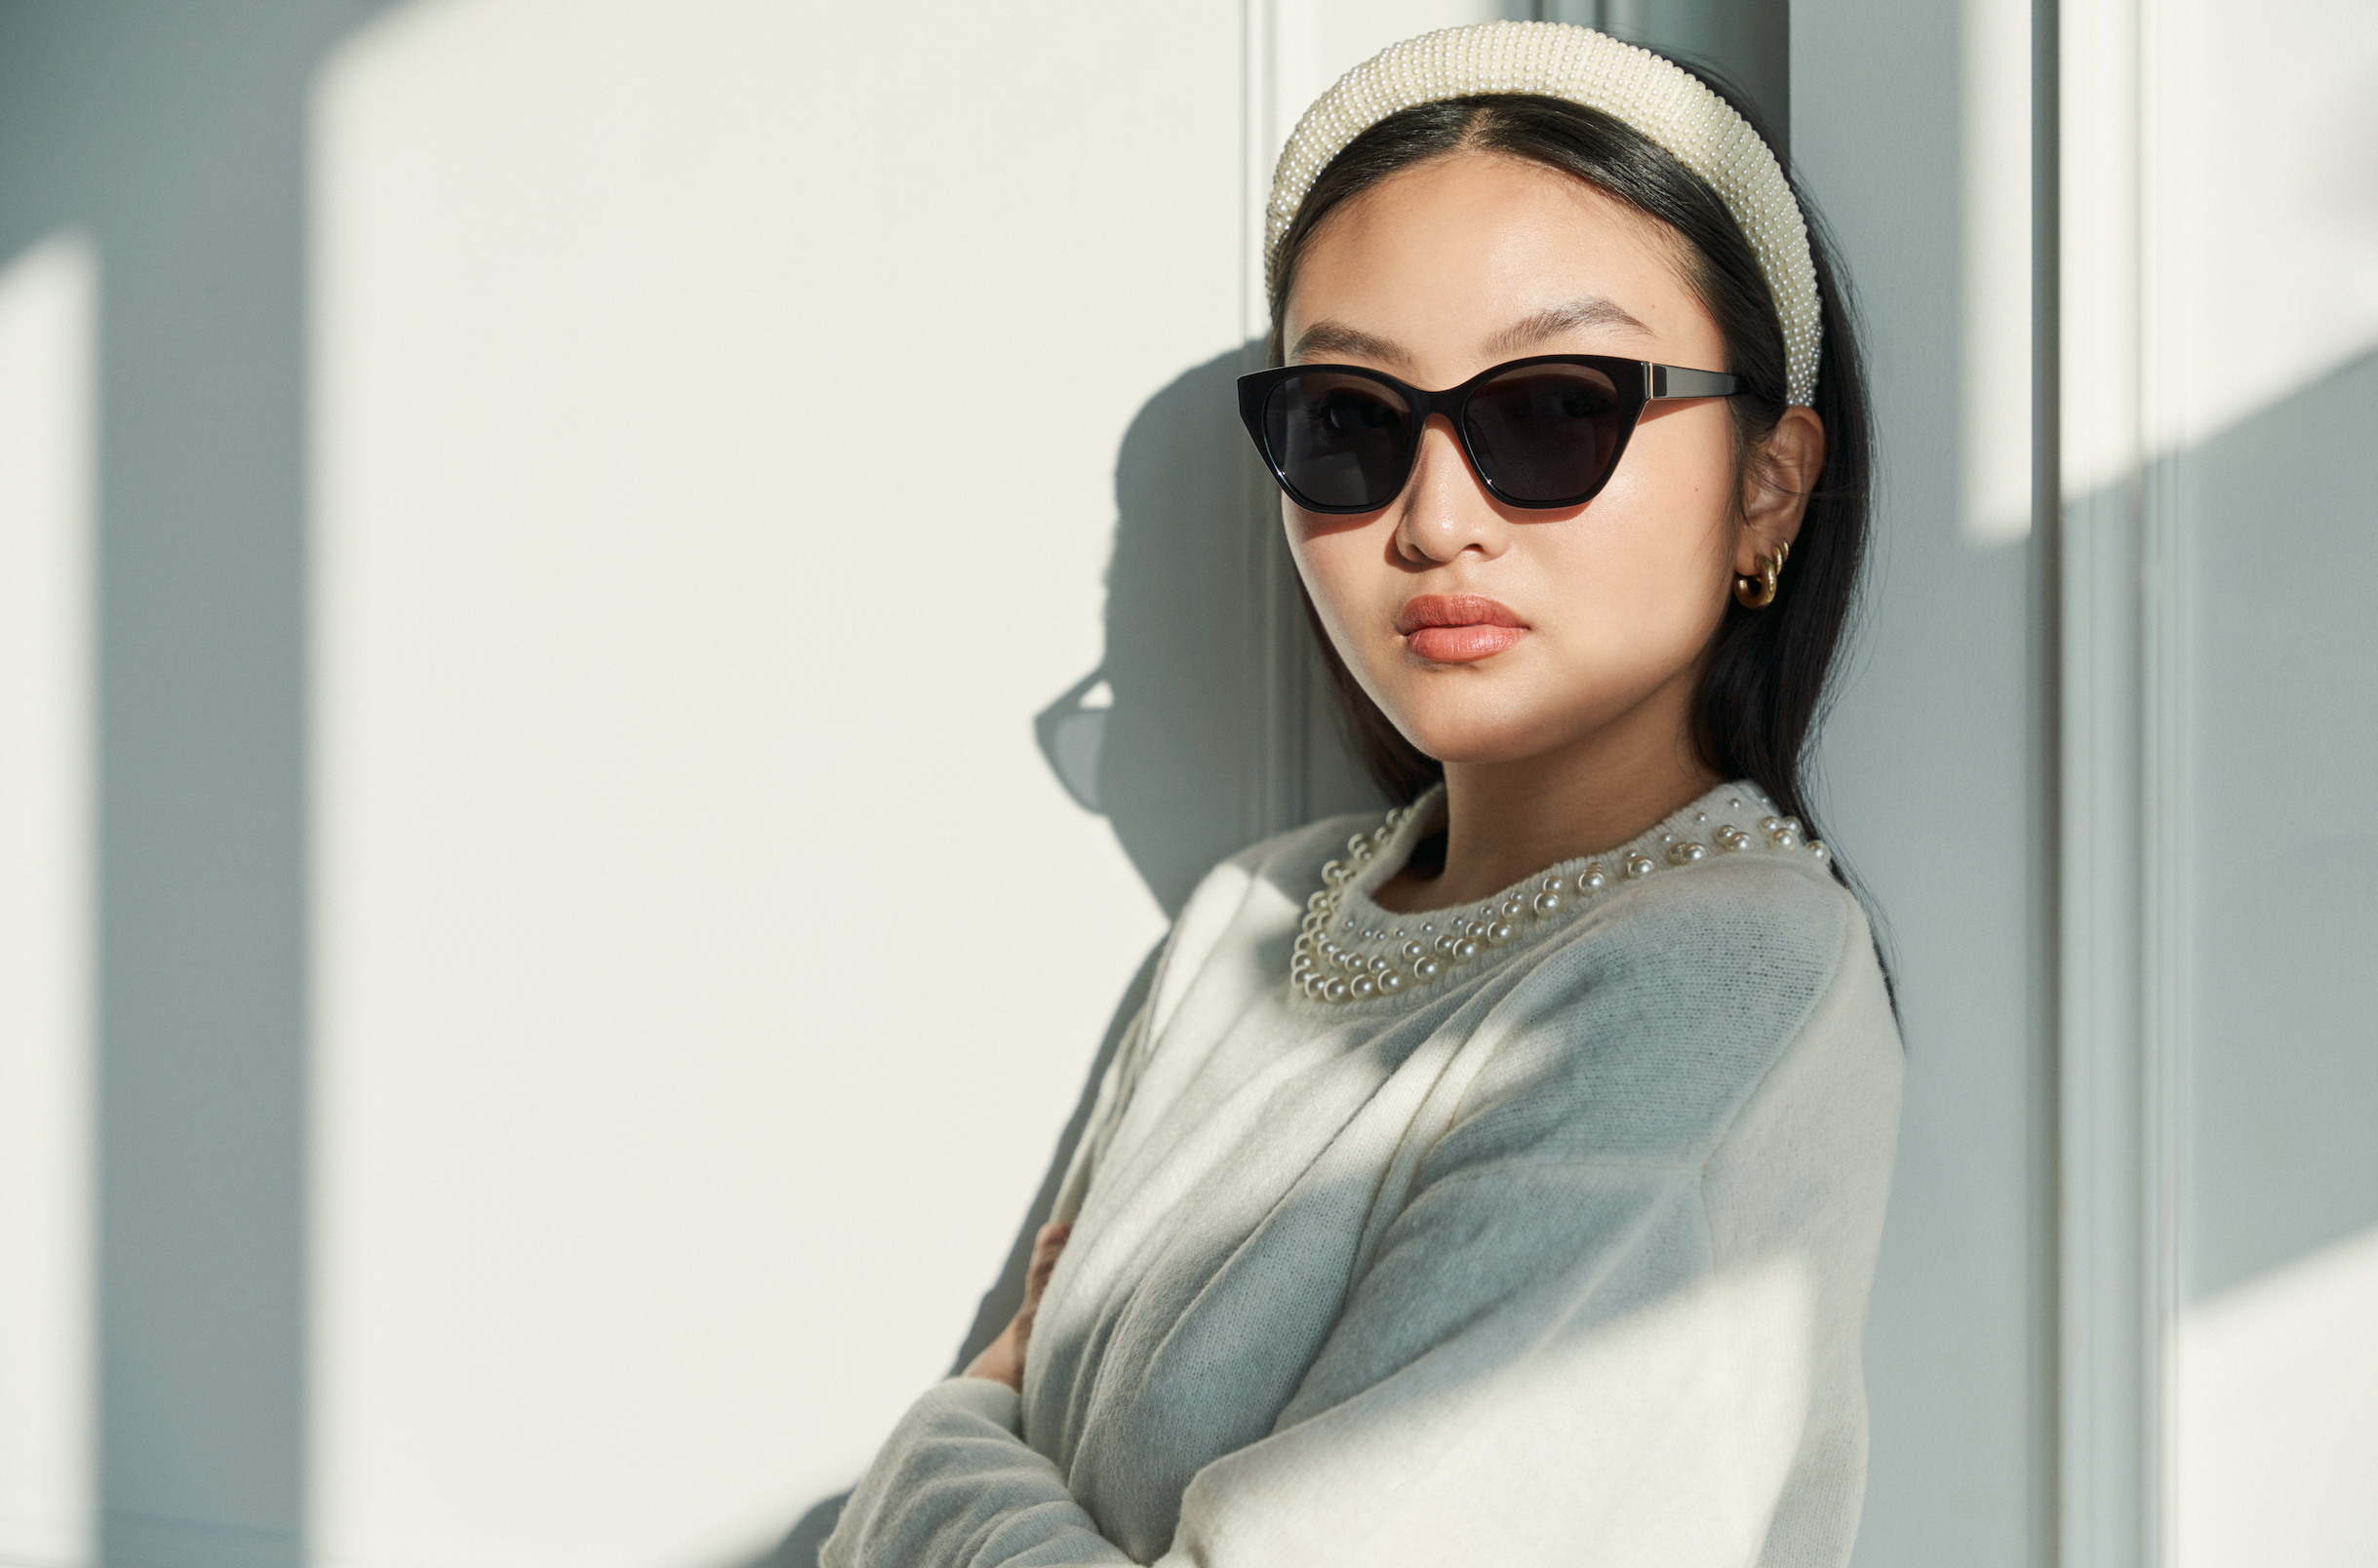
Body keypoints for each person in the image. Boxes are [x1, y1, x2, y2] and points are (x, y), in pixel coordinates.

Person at [822, 20, 1901, 1567]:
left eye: (1554, 408)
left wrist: (938, 1448)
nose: (1435, 520)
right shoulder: (1252, 917)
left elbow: (959, 1449)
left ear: (1767, 481)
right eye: (1350, 423)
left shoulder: (1726, 974)